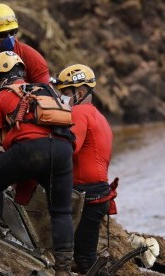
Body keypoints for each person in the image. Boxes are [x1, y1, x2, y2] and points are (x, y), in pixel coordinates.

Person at [0, 51, 74, 276]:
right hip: (63, 150)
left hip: (31, 150)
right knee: (61, 211)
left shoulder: (3, 95)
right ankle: (63, 268)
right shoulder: (47, 89)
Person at [55, 64, 115, 274]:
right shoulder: (99, 116)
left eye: (64, 94)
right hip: (98, 194)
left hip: (88, 196)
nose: (61, 99)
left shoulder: (79, 112)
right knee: (84, 255)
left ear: (79, 93)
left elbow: (69, 149)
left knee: (85, 259)